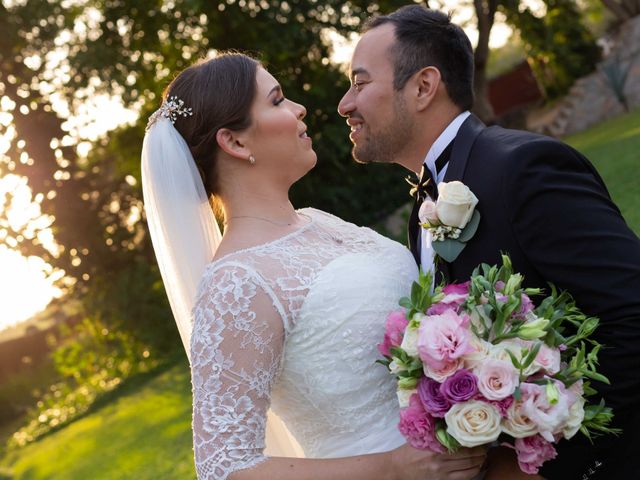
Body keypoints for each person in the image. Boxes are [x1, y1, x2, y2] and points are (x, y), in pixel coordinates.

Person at [141, 52, 486, 480]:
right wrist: (393, 468)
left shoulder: (319, 220)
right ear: (236, 142)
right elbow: (223, 466)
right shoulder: (236, 282)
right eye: (277, 100)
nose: (299, 108)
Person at [337, 5, 640, 479]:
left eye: (359, 82)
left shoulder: (523, 168)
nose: (345, 104)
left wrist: (559, 466)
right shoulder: (425, 207)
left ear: (422, 87)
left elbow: (631, 313)